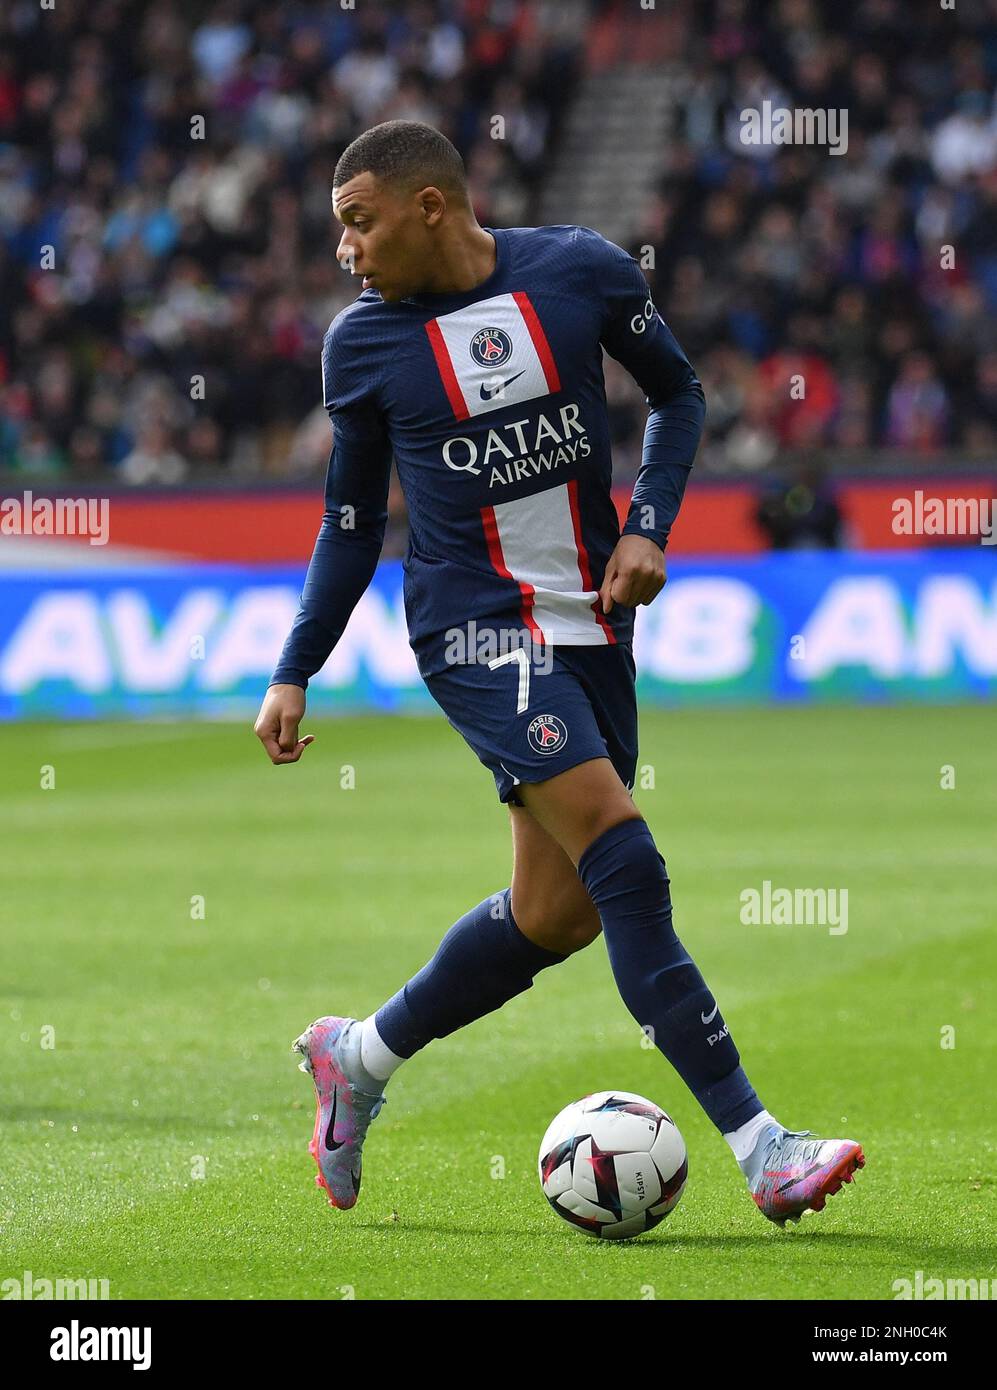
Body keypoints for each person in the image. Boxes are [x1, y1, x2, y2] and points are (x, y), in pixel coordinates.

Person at [254, 120, 863, 1228]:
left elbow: (679, 396)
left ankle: (360, 1054)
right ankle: (762, 1144)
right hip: (472, 625)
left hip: (592, 620)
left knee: (557, 912)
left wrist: (647, 527)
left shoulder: (577, 268)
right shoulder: (364, 344)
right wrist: (296, 667)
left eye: (358, 221)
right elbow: (349, 525)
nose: (344, 249)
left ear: (429, 204)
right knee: (626, 857)